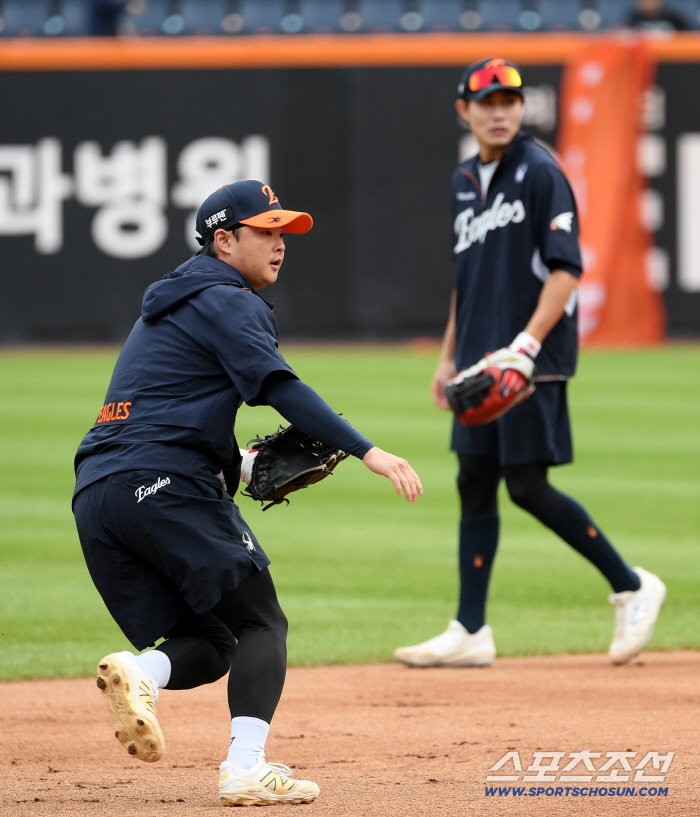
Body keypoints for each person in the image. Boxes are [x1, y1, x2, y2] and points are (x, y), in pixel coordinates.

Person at [72, 180, 422, 806]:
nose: (279, 243)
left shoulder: (170, 304)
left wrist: (238, 466)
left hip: (100, 494)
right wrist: (369, 450)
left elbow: (164, 412)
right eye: (265, 231)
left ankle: (141, 672)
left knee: (213, 645)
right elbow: (279, 387)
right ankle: (244, 767)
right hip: (166, 483)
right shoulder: (229, 300)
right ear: (223, 240)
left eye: (282, 231)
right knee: (263, 622)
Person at [393, 58, 665, 669]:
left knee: (527, 486)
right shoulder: (464, 179)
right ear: (464, 110)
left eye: (509, 101)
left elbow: (567, 269)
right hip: (476, 358)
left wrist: (527, 344)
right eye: (486, 102)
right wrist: (446, 358)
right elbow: (468, 278)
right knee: (472, 481)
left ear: (520, 109)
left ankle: (631, 585)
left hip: (525, 361)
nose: (499, 112)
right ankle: (470, 629)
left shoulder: (541, 172)